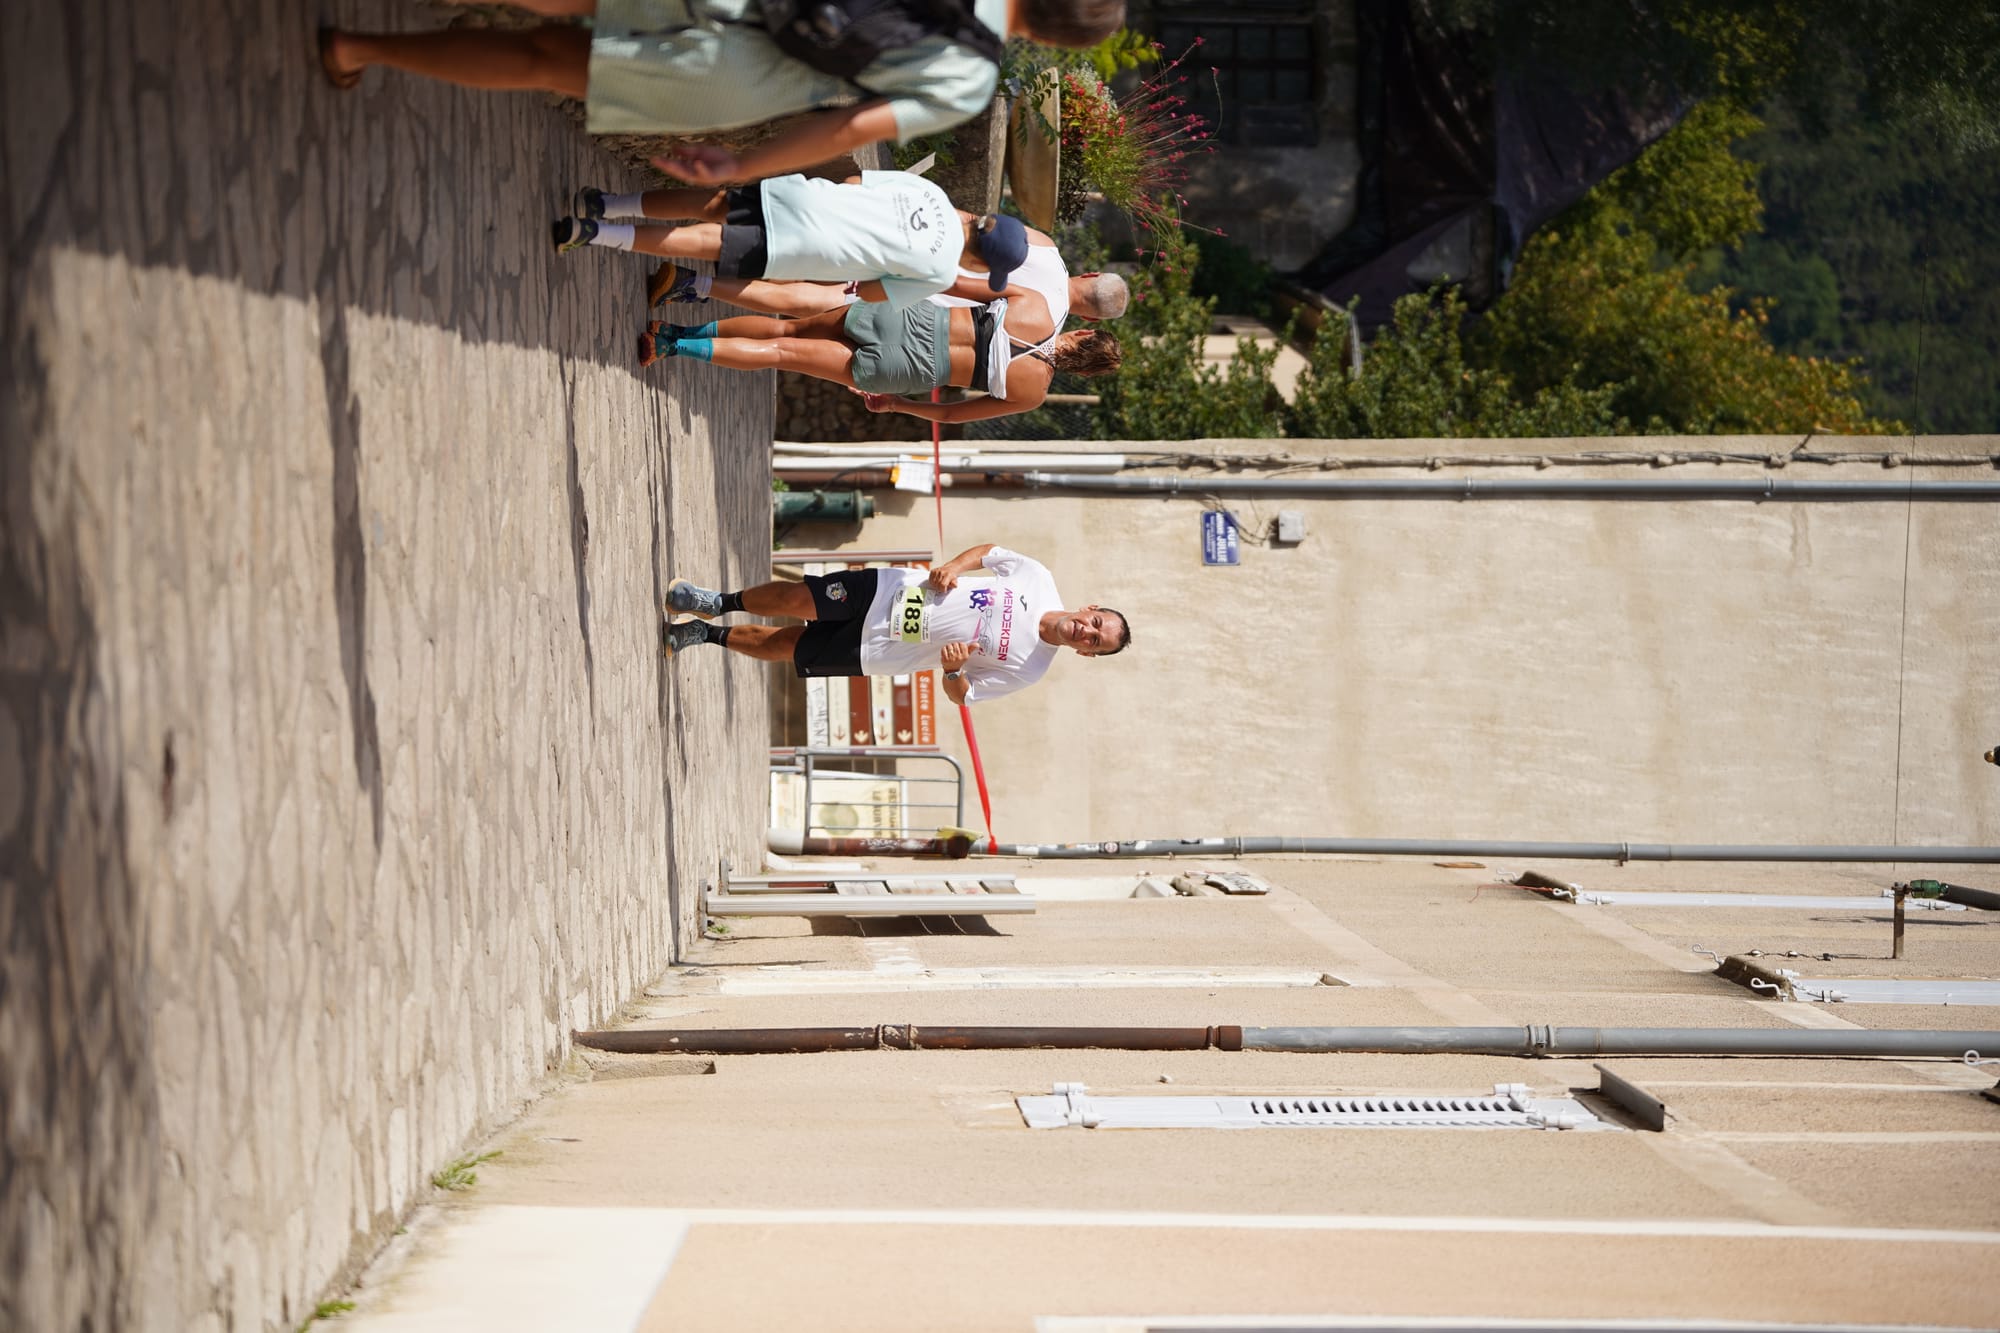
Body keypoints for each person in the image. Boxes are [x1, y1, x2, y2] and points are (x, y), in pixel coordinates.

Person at [318, 0, 1125, 187]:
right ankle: (361, 48)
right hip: (747, 74)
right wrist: (742, 166)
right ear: (1053, 42)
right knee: (543, 58)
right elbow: (846, 124)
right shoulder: (972, 77)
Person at [662, 545, 1129, 705]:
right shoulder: (1040, 580)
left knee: (786, 645)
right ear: (1090, 607)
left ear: (1086, 653)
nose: (1087, 630)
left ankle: (705, 634)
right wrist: (955, 566)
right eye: (1096, 621)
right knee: (795, 597)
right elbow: (991, 553)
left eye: (1095, 640)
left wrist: (951, 672)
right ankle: (715, 601)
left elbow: (965, 696)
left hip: (881, 651)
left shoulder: (1030, 669)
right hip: (890, 591)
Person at [638, 287, 1122, 425]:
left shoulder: (1037, 307)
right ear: (1083, 372)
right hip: (906, 369)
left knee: (787, 325)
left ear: (1083, 333)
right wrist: (899, 405)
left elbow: (957, 283)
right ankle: (673, 346)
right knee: (782, 353)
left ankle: (679, 327)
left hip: (907, 318)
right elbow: (953, 413)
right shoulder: (1032, 391)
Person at [555, 171, 1027, 311]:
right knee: (704, 244)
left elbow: (854, 179)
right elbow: (871, 291)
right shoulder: (942, 272)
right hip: (805, 248)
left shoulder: (934, 193)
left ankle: (607, 204)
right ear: (983, 265)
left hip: (800, 197)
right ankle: (597, 235)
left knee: (709, 204)